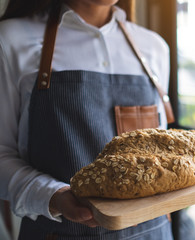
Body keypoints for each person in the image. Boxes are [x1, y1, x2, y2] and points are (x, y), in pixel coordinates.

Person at [0, 0, 174, 239]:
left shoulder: (154, 47)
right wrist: (53, 195)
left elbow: (161, 151)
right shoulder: (10, 39)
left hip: (154, 233)